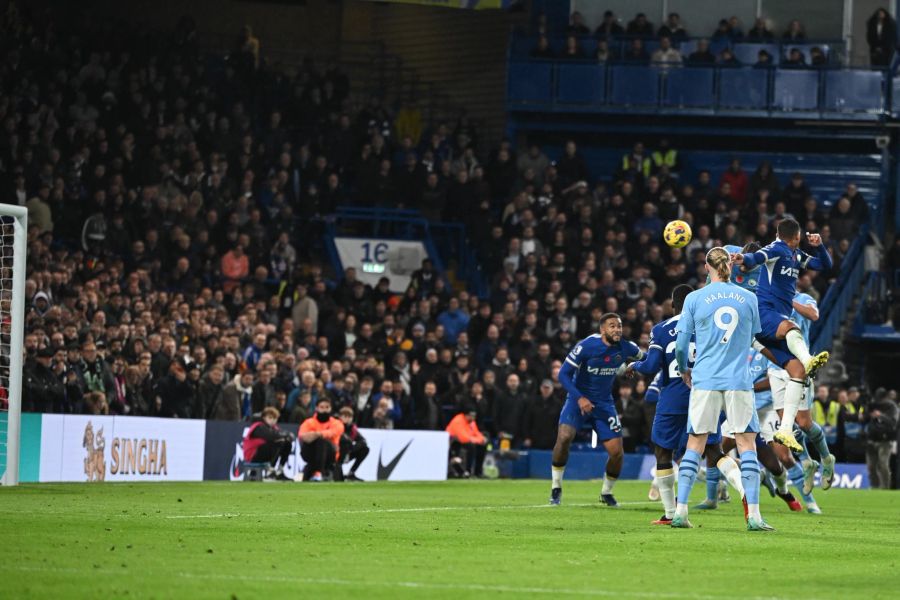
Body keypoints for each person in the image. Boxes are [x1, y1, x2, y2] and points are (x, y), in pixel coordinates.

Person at [627, 285, 745, 525]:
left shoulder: (661, 330)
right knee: (713, 451)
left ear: (673, 305)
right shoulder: (710, 327)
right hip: (707, 394)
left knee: (663, 451)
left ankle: (670, 513)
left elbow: (650, 367)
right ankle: (746, 494)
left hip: (673, 397)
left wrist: (633, 366)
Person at [674, 247, 772, 531]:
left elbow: (682, 346)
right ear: (731, 266)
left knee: (696, 444)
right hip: (738, 381)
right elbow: (753, 336)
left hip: (705, 379)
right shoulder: (749, 298)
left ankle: (680, 512)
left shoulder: (694, 298)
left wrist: (684, 369)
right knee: (746, 445)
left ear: (707, 267)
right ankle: (753, 516)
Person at [732, 218, 832, 451]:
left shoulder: (796, 256)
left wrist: (819, 246)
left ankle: (785, 430)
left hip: (768, 327)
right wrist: (743, 259)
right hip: (765, 314)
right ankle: (809, 360)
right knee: (791, 328)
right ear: (797, 237)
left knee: (796, 371)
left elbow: (824, 265)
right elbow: (758, 257)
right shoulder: (776, 248)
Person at [550, 313, 643, 507]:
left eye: (619, 326)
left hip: (604, 404)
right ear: (602, 329)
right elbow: (564, 375)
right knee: (564, 437)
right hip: (578, 400)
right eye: (612, 326)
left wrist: (633, 364)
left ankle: (606, 492)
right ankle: (556, 486)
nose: (617, 329)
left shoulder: (627, 347)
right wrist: (580, 398)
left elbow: (648, 359)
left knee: (617, 452)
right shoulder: (587, 346)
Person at [766, 291, 837, 491]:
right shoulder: (766, 297)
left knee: (804, 423)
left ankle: (826, 457)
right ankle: (807, 462)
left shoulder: (801, 297)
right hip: (775, 368)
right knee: (786, 426)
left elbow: (814, 315)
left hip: (798, 366)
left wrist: (786, 299)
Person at [298, 397, 344, 482]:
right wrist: (320, 435)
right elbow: (302, 436)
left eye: (327, 407)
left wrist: (316, 434)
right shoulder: (309, 422)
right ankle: (317, 473)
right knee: (319, 441)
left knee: (322, 441)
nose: (324, 410)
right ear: (316, 408)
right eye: (322, 407)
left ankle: (319, 473)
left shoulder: (337, 423)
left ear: (330, 409)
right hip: (311, 453)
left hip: (331, 454)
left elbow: (333, 432)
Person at [242, 406, 294, 480]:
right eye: (270, 417)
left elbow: (277, 435)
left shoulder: (273, 428)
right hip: (252, 456)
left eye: (275, 418)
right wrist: (286, 435)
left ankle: (279, 470)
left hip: (262, 454)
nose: (272, 420)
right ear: (264, 417)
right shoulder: (258, 427)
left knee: (287, 443)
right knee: (277, 442)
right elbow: (271, 436)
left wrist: (286, 437)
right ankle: (270, 471)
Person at [863, 388, 898, 488]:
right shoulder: (872, 405)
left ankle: (885, 487)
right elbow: (864, 418)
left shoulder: (892, 407)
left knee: (883, 464)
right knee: (871, 466)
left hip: (885, 440)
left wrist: (880, 416)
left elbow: (893, 423)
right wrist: (865, 413)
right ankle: (874, 487)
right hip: (871, 439)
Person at [446, 406, 487, 478]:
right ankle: (467, 471)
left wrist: (481, 439)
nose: (473, 418)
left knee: (482, 446)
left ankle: (478, 472)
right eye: (471, 416)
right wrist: (477, 440)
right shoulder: (458, 421)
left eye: (474, 416)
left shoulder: (471, 422)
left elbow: (476, 433)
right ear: (465, 415)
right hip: (453, 442)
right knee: (471, 447)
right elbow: (463, 438)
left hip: (466, 440)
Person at [337, 407, 369, 481]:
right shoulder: (336, 426)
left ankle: (351, 473)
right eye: (345, 416)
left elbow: (363, 441)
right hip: (336, 453)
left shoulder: (352, 429)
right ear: (340, 417)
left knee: (365, 449)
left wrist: (350, 450)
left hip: (346, 453)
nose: (347, 419)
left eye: (349, 417)